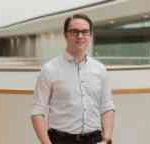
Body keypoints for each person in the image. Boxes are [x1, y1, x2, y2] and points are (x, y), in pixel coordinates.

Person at [31, 13, 115, 144]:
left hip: (95, 139)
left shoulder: (100, 69)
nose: (80, 36)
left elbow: (107, 107)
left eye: (84, 32)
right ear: (66, 34)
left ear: (90, 35)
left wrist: (106, 139)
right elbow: (37, 112)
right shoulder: (49, 69)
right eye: (74, 31)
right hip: (61, 139)